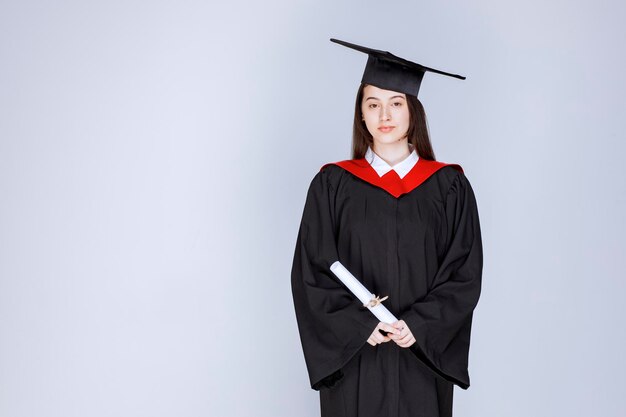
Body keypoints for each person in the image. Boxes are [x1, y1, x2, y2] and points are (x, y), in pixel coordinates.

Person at [291, 38, 483, 417]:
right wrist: (360, 325)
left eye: (396, 103)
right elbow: (311, 270)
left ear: (413, 111)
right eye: (373, 104)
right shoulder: (333, 185)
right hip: (358, 358)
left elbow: (464, 272)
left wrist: (421, 325)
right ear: (360, 114)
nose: (385, 115)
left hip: (420, 356)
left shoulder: (449, 187)